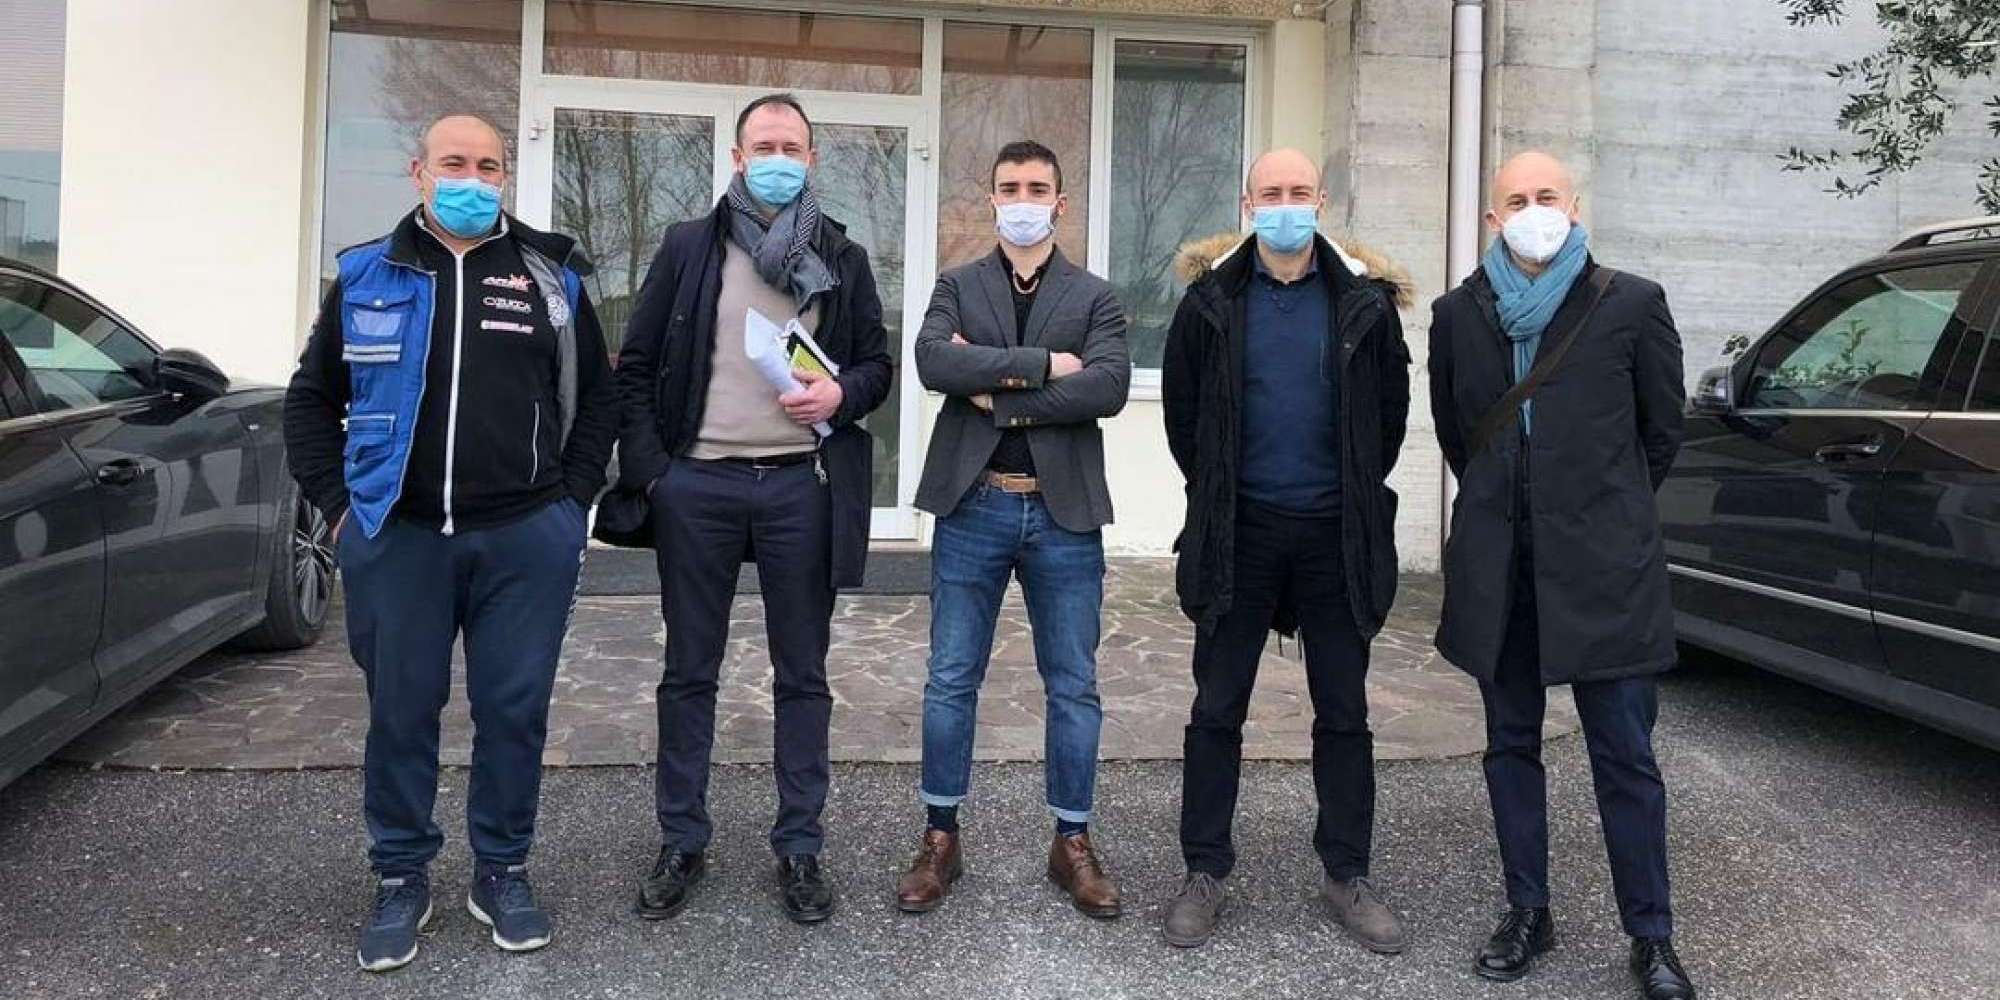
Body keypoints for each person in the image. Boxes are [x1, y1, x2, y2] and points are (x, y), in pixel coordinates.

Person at [283, 114, 616, 971]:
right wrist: (341, 512)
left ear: (506, 176)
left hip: (525, 539)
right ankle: (400, 875)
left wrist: (569, 507)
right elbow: (310, 401)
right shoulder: (368, 274)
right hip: (400, 539)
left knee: (514, 712)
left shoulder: (551, 278)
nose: (473, 179)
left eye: (489, 166)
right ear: (420, 172)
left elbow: (598, 401)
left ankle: (502, 869)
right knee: (401, 712)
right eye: (454, 163)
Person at [600, 92, 893, 926]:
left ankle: (799, 845)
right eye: (764, 146)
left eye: (792, 147)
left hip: (801, 485)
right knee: (690, 671)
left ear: (812, 159)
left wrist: (841, 393)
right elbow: (636, 363)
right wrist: (657, 476)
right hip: (700, 487)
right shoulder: (689, 246)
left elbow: (875, 365)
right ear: (736, 157)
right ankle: (681, 838)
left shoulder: (841, 255)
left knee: (802, 675)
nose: (777, 159)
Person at [1428, 150, 1696, 1000]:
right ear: (1493, 218)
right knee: (1510, 745)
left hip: (1605, 571)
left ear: (1574, 208)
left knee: (1625, 755)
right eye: (1516, 200)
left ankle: (1651, 935)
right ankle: (1527, 911)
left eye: (1546, 196)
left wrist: (1597, 510)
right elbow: (1459, 435)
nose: (1533, 210)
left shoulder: (1632, 304)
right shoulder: (1456, 315)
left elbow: (1660, 434)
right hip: (1502, 570)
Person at [1158, 148, 1413, 952]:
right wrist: (1221, 495)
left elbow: (1389, 418)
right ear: (1247, 205)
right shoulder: (1211, 301)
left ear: (1322, 201)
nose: (1286, 205)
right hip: (1242, 532)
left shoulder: (1364, 302)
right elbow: (1183, 418)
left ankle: (1347, 872)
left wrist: (1350, 493)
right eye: (1271, 193)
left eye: (1299, 192)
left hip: (1337, 534)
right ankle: (1204, 870)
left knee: (1344, 712)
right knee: (1216, 709)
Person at [897, 140, 1131, 918]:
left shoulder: (1095, 297)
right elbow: (934, 363)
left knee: (1073, 684)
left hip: (1063, 513)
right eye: (1010, 187)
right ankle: (940, 837)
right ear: (991, 198)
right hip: (974, 505)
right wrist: (1045, 365)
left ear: (1060, 203)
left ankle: (1072, 842)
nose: (1023, 199)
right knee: (950, 678)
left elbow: (1108, 387)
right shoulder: (956, 285)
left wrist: (995, 390)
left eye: (1037, 187)